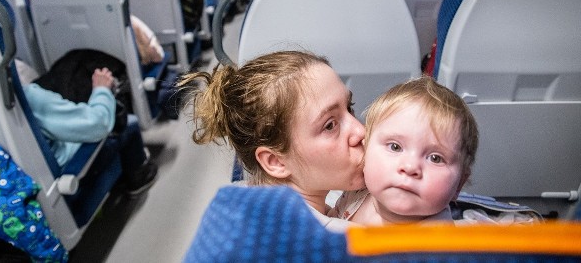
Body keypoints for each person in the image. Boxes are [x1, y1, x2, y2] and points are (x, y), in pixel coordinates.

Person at [178, 50, 366, 232]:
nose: (361, 131)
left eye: (349, 108)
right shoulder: (333, 245)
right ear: (275, 161)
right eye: (330, 125)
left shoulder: (242, 199)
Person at [330, 76, 479, 225]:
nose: (410, 167)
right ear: (366, 149)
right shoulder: (356, 194)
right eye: (395, 147)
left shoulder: (437, 242)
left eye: (435, 158)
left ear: (459, 184)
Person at [18, 60, 158, 196]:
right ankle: (138, 177)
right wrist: (102, 90)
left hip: (33, 185)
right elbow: (98, 124)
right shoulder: (26, 97)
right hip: (71, 173)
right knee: (128, 123)